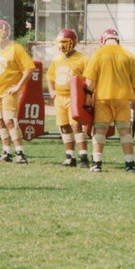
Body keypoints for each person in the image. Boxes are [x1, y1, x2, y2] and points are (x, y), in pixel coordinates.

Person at [84, 29, 135, 172]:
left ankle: (97, 163)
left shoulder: (98, 54)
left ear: (103, 41)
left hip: (103, 98)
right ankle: (130, 164)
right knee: (125, 132)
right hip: (122, 98)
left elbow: (89, 81)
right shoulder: (128, 55)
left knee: (100, 131)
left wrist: (87, 97)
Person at [0, 19, 35, 164]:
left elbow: (29, 69)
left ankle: (20, 152)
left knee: (10, 121)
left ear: (6, 33)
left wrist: (18, 86)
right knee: (0, 122)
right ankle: (6, 151)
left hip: (8, 92)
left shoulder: (16, 49)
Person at [45, 28, 90, 167]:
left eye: (65, 42)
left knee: (76, 126)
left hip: (74, 97)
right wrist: (52, 91)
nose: (61, 45)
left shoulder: (83, 59)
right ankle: (70, 156)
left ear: (73, 42)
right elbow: (50, 76)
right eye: (60, 42)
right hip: (60, 97)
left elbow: (90, 78)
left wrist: (88, 95)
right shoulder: (57, 59)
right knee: (64, 126)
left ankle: (83, 156)